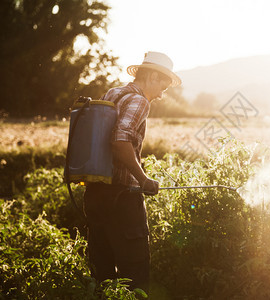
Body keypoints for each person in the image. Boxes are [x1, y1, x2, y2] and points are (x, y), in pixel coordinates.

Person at [83, 51, 181, 293]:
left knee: (102, 271)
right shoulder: (139, 101)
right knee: (135, 274)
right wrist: (143, 178)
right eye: (163, 86)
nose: (161, 94)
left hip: (95, 194)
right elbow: (119, 141)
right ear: (151, 77)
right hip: (122, 198)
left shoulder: (113, 93)